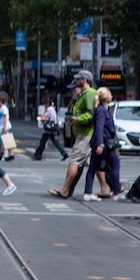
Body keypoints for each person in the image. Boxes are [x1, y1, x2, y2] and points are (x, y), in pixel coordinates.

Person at [49, 70, 97, 198]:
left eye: (78, 79)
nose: (76, 81)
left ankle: (65, 189)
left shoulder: (89, 94)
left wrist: (78, 119)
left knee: (74, 160)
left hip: (85, 133)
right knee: (92, 163)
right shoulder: (84, 94)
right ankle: (109, 187)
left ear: (85, 80)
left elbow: (91, 114)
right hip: (82, 132)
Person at [83, 86, 124, 201]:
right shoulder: (101, 111)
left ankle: (88, 192)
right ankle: (116, 192)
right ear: (106, 97)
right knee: (115, 165)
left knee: (93, 167)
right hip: (105, 144)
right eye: (110, 94)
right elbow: (99, 128)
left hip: (102, 143)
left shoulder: (102, 110)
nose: (112, 96)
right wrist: (100, 144)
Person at [0, 91, 16, 161]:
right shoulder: (1, 108)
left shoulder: (3, 108)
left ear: (1, 101)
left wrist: (4, 127)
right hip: (2, 126)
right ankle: (2, 154)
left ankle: (6, 154)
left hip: (4, 126)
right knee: (4, 140)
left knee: (5, 140)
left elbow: (5, 118)